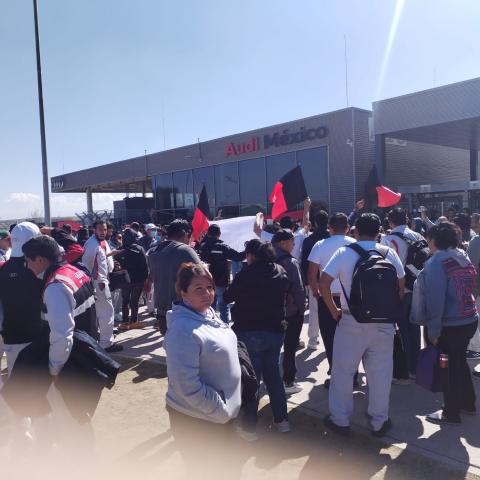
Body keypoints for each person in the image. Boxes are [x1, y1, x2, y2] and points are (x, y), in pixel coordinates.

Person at [320, 213, 405, 437]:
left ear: (355, 231)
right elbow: (400, 287)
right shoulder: (389, 253)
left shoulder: (344, 253)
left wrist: (334, 311)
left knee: (343, 371)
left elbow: (324, 283)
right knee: (380, 373)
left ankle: (340, 420)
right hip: (384, 323)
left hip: (351, 320)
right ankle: (379, 421)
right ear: (379, 232)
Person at [164, 263, 241, 471]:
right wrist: (220, 410)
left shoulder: (207, 313)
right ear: (183, 293)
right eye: (198, 288)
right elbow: (186, 385)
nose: (207, 293)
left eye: (210, 287)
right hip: (199, 420)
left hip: (217, 418)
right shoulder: (183, 329)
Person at [224, 239, 291, 433]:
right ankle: (282, 421)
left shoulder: (246, 273)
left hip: (249, 331)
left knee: (251, 381)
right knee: (273, 378)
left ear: (251, 255)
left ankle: (249, 428)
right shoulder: (280, 271)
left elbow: (228, 296)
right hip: (275, 331)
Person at [419, 223, 479, 424]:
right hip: (469, 318)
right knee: (459, 362)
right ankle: (468, 403)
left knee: (448, 368)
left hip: (450, 323)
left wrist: (433, 331)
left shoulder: (436, 263)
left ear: (434, 240)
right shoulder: (463, 256)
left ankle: (450, 412)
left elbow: (436, 300)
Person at [308, 213, 356, 387]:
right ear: (348, 229)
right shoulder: (355, 245)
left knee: (330, 338)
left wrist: (316, 293)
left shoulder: (320, 245)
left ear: (330, 228)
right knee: (351, 338)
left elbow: (312, 274)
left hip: (326, 297)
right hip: (351, 299)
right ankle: (352, 374)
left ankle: (336, 373)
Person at [382, 207, 425, 383]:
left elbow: (386, 266)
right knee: (415, 329)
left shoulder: (388, 239)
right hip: (417, 289)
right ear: (407, 219)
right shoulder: (418, 236)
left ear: (390, 222)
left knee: (399, 331)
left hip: (398, 290)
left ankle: (403, 369)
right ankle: (416, 366)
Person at [0, 222, 43, 374]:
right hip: (36, 336)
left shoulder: (4, 268)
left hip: (11, 336)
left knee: (16, 383)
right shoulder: (38, 267)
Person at [147, 219, 201, 334]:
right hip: (184, 310)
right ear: (186, 234)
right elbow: (203, 275)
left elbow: (152, 277)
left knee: (171, 346)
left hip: (161, 310)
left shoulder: (152, 251)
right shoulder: (185, 250)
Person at [271, 229, 305, 394]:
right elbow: (298, 288)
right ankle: (288, 382)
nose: (294, 244)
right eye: (292, 241)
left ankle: (272, 380)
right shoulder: (290, 262)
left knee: (273, 348)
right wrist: (301, 308)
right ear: (283, 243)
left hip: (271, 310)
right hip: (291, 311)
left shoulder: (267, 258)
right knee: (290, 348)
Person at [82, 220, 121, 352]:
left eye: (104, 229)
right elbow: (86, 264)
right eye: (100, 229)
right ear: (94, 230)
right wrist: (93, 282)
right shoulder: (92, 244)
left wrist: (111, 256)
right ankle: (106, 342)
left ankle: (104, 338)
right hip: (99, 282)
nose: (103, 232)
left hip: (102, 280)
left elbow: (101, 259)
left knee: (104, 312)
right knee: (106, 312)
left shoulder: (101, 242)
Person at [198, 224, 246, 323]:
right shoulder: (222, 247)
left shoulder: (202, 247)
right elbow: (238, 257)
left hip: (206, 281)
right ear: (219, 234)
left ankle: (210, 327)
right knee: (223, 305)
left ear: (208, 233)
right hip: (221, 281)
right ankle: (224, 329)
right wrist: (248, 248)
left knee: (209, 307)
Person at [300, 210, 329, 350]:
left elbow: (304, 261)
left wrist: (306, 280)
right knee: (334, 307)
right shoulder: (331, 237)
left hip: (313, 279)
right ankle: (333, 339)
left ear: (315, 223)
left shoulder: (308, 240)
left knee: (314, 310)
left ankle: (313, 340)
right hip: (332, 279)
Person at [254, 197, 312, 262]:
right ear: (293, 227)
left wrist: (258, 216)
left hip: (279, 270)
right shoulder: (299, 235)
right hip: (296, 268)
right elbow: (305, 224)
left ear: (280, 227)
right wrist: (306, 206)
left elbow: (256, 230)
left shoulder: (274, 238)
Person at [114, 228, 149, 329]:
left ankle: (125, 323)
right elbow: (145, 265)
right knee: (134, 301)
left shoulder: (120, 250)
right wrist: (146, 278)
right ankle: (133, 321)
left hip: (125, 280)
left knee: (125, 301)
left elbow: (116, 264)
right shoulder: (139, 249)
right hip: (138, 280)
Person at [466, 213, 480, 360]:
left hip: (477, 287)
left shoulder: (476, 240)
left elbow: (471, 266)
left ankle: (475, 349)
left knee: (476, 317)